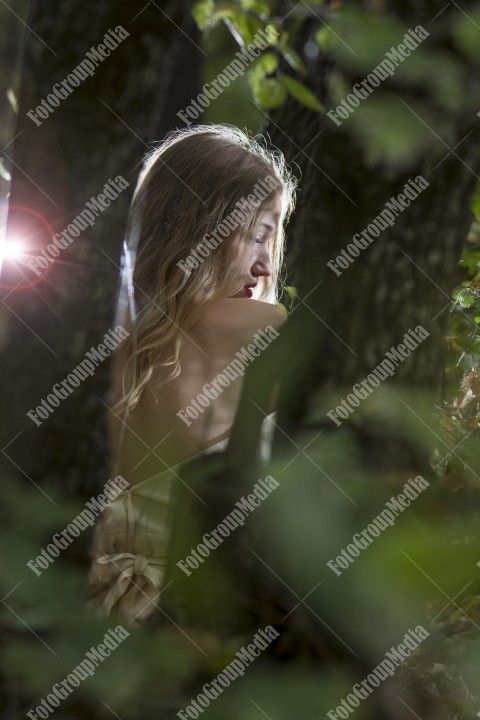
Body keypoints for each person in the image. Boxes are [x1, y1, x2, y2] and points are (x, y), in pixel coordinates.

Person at [87, 124, 297, 622]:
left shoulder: (80, 333)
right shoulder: (261, 331)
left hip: (72, 610)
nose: (267, 266)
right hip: (196, 624)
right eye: (259, 236)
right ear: (203, 231)